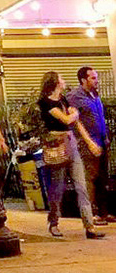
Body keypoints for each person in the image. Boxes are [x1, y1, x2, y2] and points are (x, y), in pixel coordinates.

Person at [37, 71, 104, 239]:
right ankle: (54, 222)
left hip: (70, 142)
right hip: (56, 146)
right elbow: (66, 120)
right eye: (61, 78)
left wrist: (89, 142)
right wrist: (74, 114)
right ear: (55, 82)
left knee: (81, 185)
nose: (64, 80)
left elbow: (76, 123)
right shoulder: (45, 102)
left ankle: (89, 226)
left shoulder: (63, 100)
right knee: (57, 187)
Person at [68, 66, 113, 224]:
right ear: (83, 80)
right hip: (87, 144)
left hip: (101, 141)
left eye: (96, 77)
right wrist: (88, 142)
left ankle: (103, 212)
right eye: (93, 78)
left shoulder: (95, 94)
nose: (96, 80)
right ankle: (91, 214)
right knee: (90, 178)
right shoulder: (74, 97)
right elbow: (75, 122)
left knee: (102, 179)